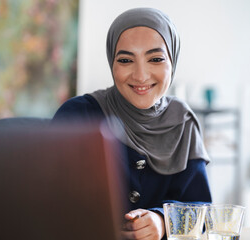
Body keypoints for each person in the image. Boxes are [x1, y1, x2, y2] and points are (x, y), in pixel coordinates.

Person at [52, 7, 211, 240]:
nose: (140, 75)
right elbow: (47, 202)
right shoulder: (79, 115)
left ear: (172, 61)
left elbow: (202, 212)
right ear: (112, 63)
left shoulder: (182, 122)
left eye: (155, 59)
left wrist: (163, 221)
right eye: (126, 60)